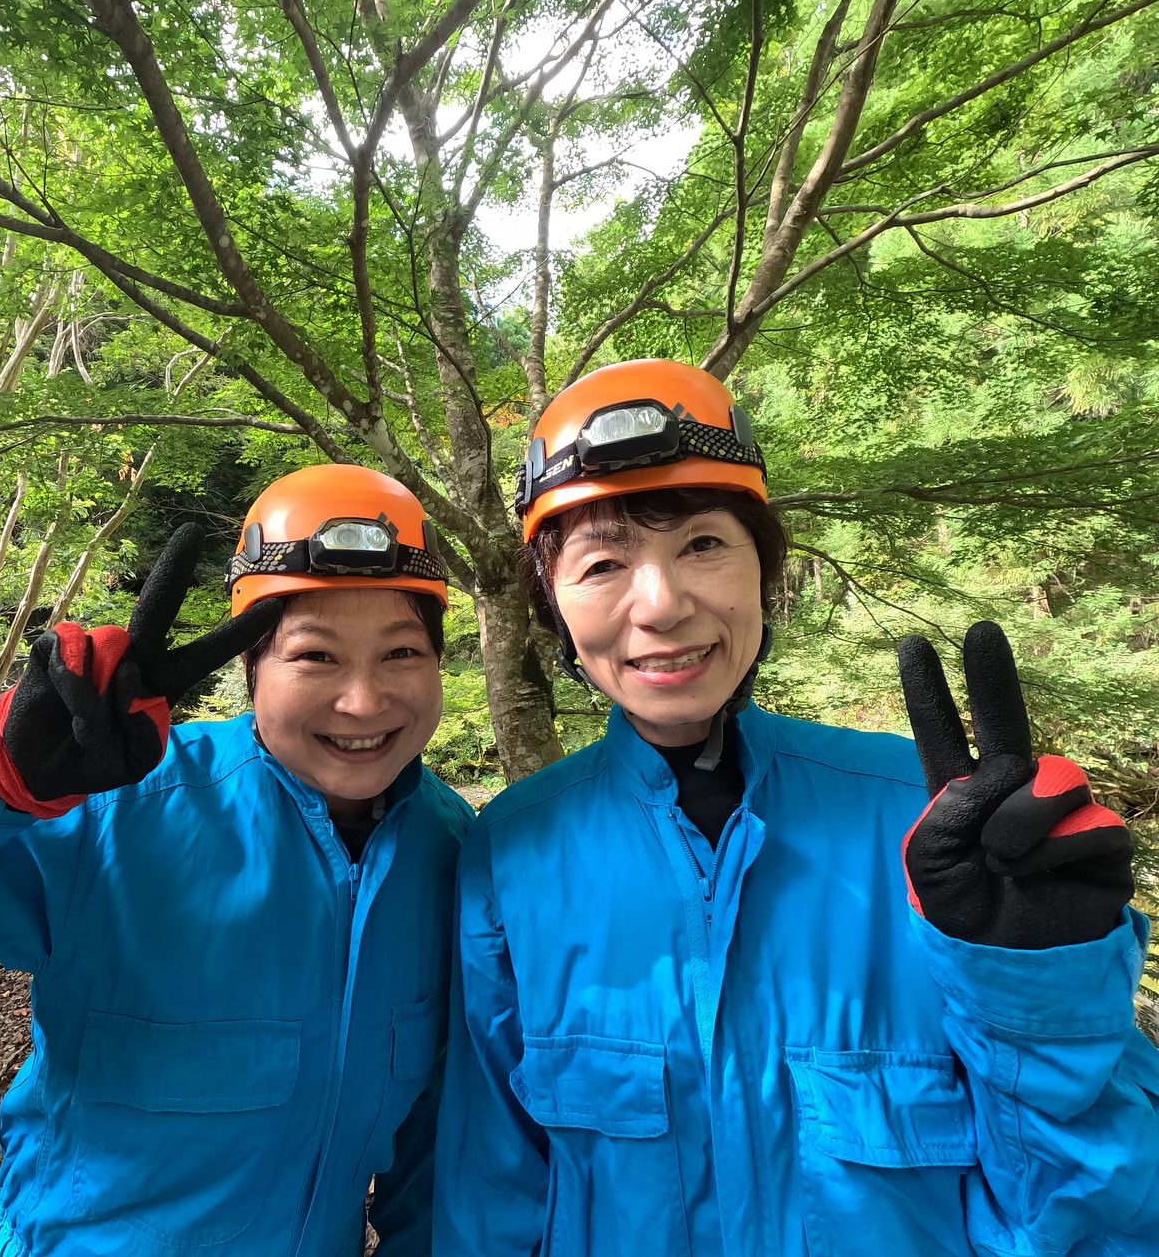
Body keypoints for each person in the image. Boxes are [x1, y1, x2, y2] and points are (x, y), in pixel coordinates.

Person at [432, 359, 1159, 1255]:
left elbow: (1103, 1212)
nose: (659, 605)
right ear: (553, 607)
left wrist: (1043, 990)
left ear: (763, 574)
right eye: (603, 562)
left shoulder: (935, 823)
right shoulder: (512, 851)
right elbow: (491, 1197)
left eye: (703, 544)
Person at [0, 464, 470, 1257]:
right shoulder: (111, 811)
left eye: (401, 653)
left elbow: (441, 1152)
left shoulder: (453, 850)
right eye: (315, 656)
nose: (363, 699)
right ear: (250, 670)